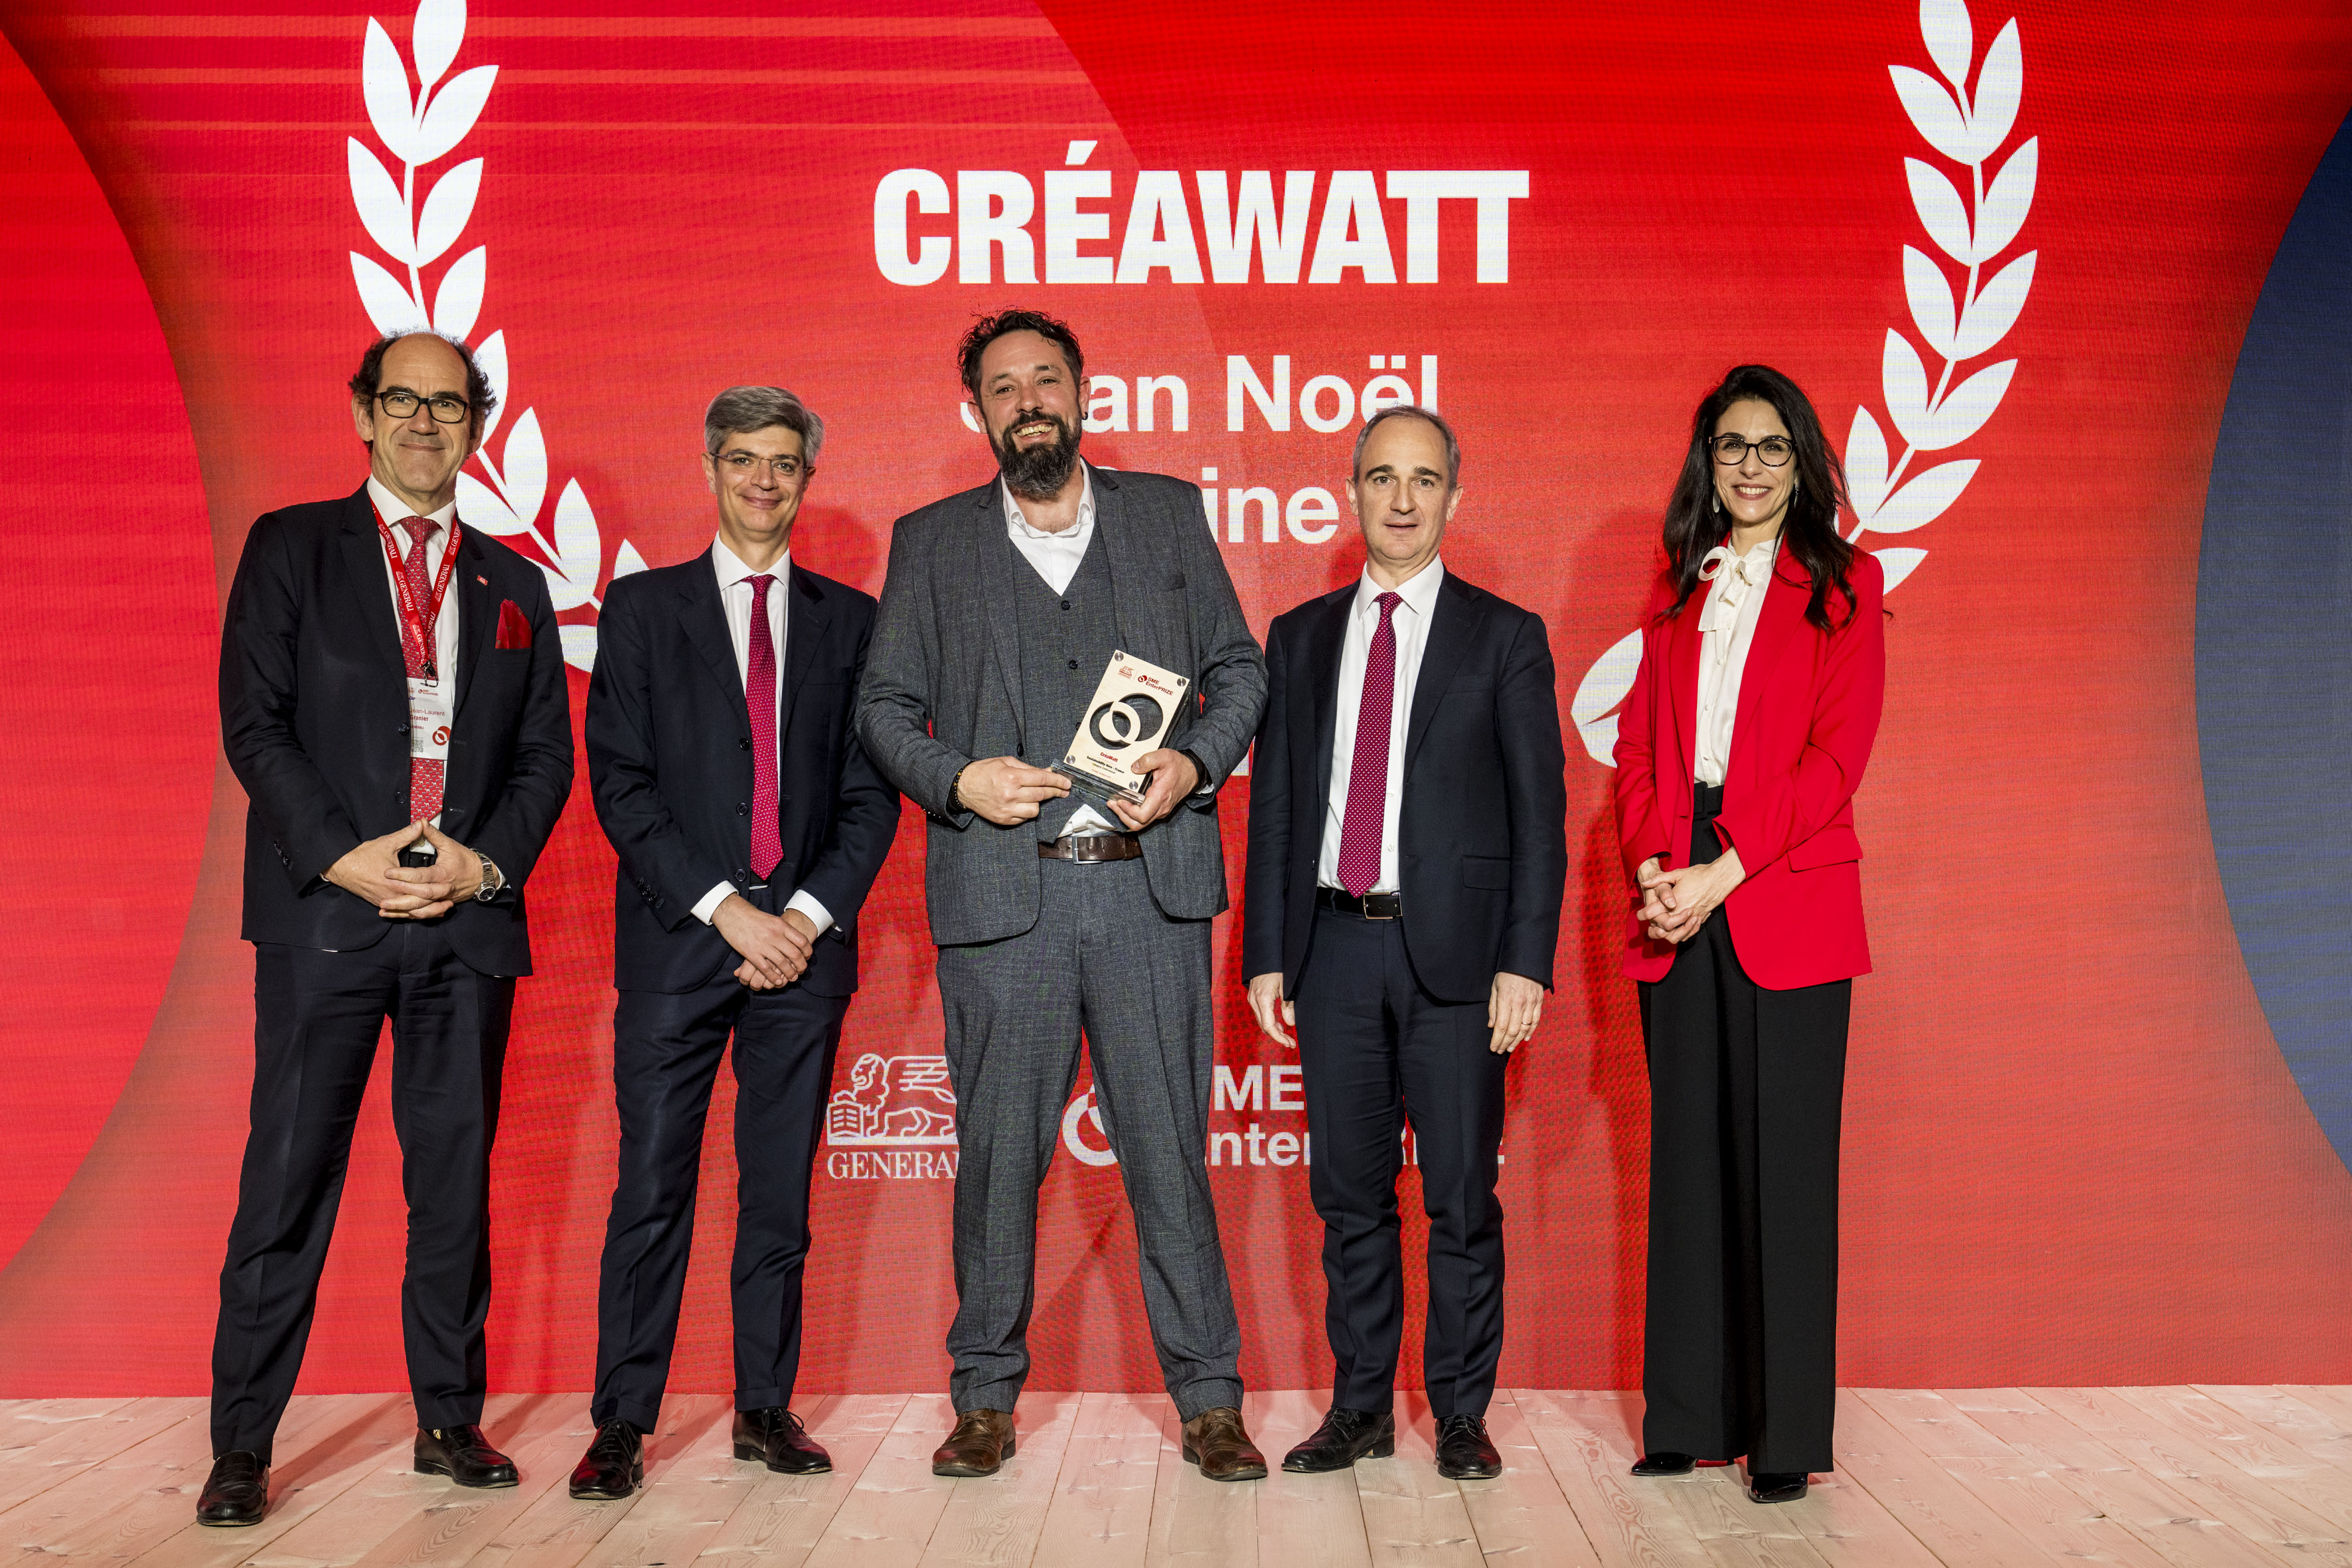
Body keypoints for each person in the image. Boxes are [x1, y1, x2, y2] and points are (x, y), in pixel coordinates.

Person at [855, 309, 1269, 1482]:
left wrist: (1194, 763)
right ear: (977, 412)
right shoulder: (932, 541)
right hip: (1006, 902)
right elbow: (883, 708)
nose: (1029, 400)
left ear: (1084, 392)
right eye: (1004, 386)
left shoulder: (1167, 514)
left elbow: (1240, 668)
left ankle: (1210, 1399)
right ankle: (984, 1396)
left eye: (1047, 379)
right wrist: (958, 779)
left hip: (1147, 894)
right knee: (997, 1161)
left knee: (1169, 1156)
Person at [202, 331, 575, 1526]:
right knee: (287, 1180)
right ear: (364, 413)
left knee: (454, 1186)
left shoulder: (514, 584)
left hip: (463, 925)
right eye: (403, 400)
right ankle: (242, 1444)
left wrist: (483, 864)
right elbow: (256, 722)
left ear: (477, 426)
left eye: (449, 405)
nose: (425, 421)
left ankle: (448, 1420)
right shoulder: (292, 547)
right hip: (329, 916)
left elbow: (544, 756)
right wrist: (343, 856)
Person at [568, 388, 900, 1499]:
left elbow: (869, 797)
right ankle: (622, 1421)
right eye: (745, 459)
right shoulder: (642, 609)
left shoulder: (854, 622)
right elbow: (621, 784)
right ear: (711, 467)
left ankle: (765, 1406)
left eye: (785, 463)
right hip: (681, 944)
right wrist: (727, 908)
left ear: (808, 478)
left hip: (802, 956)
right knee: (650, 1189)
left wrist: (799, 919)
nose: (765, 479)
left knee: (778, 1196)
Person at [1242, 406, 1567, 1480]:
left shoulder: (1505, 635)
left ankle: (1461, 1413)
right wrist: (1267, 951)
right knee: (1349, 1198)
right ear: (1352, 492)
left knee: (1462, 1197)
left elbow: (1540, 815)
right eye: (1382, 476)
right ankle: (1361, 1407)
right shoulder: (1299, 637)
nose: (1402, 498)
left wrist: (1525, 959)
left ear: (1454, 498)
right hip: (1334, 950)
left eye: (1425, 478)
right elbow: (1277, 809)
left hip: (1461, 964)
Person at [1612, 364, 1885, 1504]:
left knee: (1786, 1173)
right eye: (1732, 445)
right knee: (1688, 1162)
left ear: (1803, 461)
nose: (1752, 465)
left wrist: (1722, 871)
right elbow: (1637, 751)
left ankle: (1782, 1437)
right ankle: (1686, 1416)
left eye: (1773, 446)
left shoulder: (1848, 585)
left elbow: (1835, 762)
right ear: (1708, 461)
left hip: (1781, 887)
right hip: (1678, 885)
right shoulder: (1678, 583)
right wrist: (1653, 868)